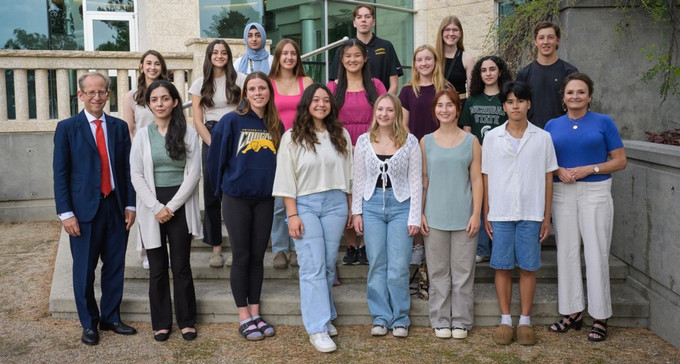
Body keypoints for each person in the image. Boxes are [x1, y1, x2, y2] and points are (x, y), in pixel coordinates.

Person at [53, 72, 137, 345]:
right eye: (90, 92)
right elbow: (61, 174)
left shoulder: (119, 127)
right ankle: (89, 323)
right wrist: (66, 213)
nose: (97, 97)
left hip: (114, 205)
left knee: (114, 266)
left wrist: (130, 203)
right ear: (81, 95)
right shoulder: (67, 128)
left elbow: (126, 169)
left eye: (101, 92)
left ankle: (111, 317)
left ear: (108, 94)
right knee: (84, 270)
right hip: (83, 211)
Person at [545, 73, 627, 342]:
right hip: (562, 191)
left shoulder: (604, 122)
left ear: (590, 96)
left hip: (596, 192)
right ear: (564, 97)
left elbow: (620, 161)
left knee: (596, 252)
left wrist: (589, 169)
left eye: (581, 92)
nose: (575, 96)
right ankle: (572, 312)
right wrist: (559, 170)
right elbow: (545, 160)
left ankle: (600, 316)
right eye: (570, 92)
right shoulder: (552, 125)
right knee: (566, 253)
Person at [272, 83, 353, 353]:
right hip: (305, 204)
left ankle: (325, 313)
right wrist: (292, 214)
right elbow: (285, 178)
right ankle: (317, 328)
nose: (321, 104)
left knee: (329, 264)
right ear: (307, 103)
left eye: (326, 100)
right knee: (313, 266)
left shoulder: (340, 134)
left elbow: (350, 175)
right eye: (316, 99)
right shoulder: (292, 137)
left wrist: (352, 208)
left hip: (336, 204)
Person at [207, 72, 282, 341]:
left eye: (263, 88)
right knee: (241, 257)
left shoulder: (276, 124)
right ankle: (243, 316)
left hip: (264, 199)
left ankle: (256, 312)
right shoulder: (230, 121)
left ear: (269, 92)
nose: (258, 92)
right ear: (245, 93)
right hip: (236, 198)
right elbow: (215, 161)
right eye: (253, 88)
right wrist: (220, 193)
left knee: (258, 257)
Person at [482, 81, 558, 346]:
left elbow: (548, 178)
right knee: (502, 266)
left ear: (529, 104)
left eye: (520, 101)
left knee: (527, 266)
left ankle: (525, 320)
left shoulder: (542, 137)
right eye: (510, 101)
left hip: (531, 211)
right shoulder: (492, 137)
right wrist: (486, 213)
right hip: (501, 212)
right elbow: (486, 175)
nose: (515, 106)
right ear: (504, 106)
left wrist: (546, 215)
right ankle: (505, 319)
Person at [130, 80, 201, 342]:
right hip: (152, 205)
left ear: (174, 101)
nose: (160, 104)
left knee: (181, 266)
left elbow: (193, 174)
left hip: (179, 204)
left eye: (165, 99)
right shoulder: (141, 135)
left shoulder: (188, 132)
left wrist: (170, 207)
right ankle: (161, 322)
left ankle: (186, 321)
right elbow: (136, 174)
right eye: (155, 100)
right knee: (158, 267)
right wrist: (156, 207)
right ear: (149, 104)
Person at [352, 94, 422, 338]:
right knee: (377, 263)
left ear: (397, 113)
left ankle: (400, 317)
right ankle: (381, 317)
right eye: (380, 109)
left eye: (390, 110)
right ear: (375, 112)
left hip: (401, 206)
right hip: (371, 207)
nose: (384, 114)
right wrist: (356, 212)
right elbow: (359, 179)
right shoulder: (363, 141)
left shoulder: (410, 142)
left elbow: (415, 182)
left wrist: (415, 216)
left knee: (399, 265)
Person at [420, 88, 482, 340]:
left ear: (458, 109)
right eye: (440, 105)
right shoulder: (425, 141)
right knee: (437, 272)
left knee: (463, 272)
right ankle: (441, 319)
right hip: (434, 217)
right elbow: (423, 180)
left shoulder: (472, 141)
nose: (444, 110)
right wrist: (420, 213)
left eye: (450, 105)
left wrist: (476, 213)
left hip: (464, 216)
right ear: (434, 110)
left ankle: (461, 321)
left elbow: (477, 180)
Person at [328, 39, 387, 265]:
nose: (352, 60)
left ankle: (365, 245)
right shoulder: (332, 88)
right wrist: (345, 145)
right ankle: (351, 245)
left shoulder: (376, 85)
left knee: (366, 195)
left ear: (365, 59)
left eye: (357, 55)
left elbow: (384, 116)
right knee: (346, 196)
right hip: (341, 147)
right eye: (348, 56)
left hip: (371, 147)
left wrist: (367, 145)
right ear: (342, 60)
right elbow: (328, 120)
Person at [189, 39, 246, 268]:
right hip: (211, 136)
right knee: (212, 192)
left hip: (235, 135)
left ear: (228, 56)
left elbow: (244, 110)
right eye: (215, 52)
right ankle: (216, 248)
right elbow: (197, 119)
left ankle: (235, 245)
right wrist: (212, 143)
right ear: (209, 56)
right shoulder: (199, 84)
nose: (220, 56)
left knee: (233, 193)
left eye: (224, 52)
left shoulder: (240, 80)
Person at [398, 44, 449, 265]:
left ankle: (439, 244)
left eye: (428, 59)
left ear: (435, 62)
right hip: (416, 151)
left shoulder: (445, 88)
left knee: (440, 196)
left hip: (443, 150)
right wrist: (416, 149)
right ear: (415, 64)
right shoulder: (407, 90)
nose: (424, 63)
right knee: (418, 197)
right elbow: (404, 125)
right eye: (420, 59)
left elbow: (451, 118)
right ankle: (418, 245)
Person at [459, 55, 511, 263]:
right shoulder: (472, 100)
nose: (488, 73)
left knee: (498, 202)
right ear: (478, 74)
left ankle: (499, 245)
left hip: (502, 159)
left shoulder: (507, 98)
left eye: (492, 69)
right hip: (478, 158)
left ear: (499, 72)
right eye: (484, 70)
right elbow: (467, 132)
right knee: (479, 203)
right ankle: (482, 248)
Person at [268, 38, 313, 269]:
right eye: (284, 53)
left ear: (298, 57)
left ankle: (297, 247)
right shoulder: (269, 82)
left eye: (293, 53)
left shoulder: (306, 81)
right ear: (278, 57)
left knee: (302, 198)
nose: (288, 57)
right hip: (276, 147)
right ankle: (280, 249)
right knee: (279, 202)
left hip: (303, 145)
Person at [122, 49, 169, 270]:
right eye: (148, 63)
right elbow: (129, 129)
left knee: (165, 202)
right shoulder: (131, 97)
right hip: (141, 154)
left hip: (166, 155)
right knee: (145, 204)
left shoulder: (167, 92)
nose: (152, 67)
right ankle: (145, 252)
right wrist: (137, 156)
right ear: (141, 66)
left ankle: (165, 248)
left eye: (156, 64)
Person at [515, 21, 578, 128]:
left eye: (550, 37)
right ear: (535, 41)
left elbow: (577, 105)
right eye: (541, 38)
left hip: (562, 131)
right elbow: (518, 105)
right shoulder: (524, 74)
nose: (545, 42)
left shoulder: (570, 72)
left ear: (557, 40)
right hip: (532, 133)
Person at [328, 4, 403, 94]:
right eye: (359, 17)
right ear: (354, 23)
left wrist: (382, 106)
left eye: (367, 17)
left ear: (373, 22)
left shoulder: (386, 46)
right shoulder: (343, 50)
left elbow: (394, 85)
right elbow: (337, 85)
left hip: (380, 104)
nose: (363, 20)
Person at [435, 16, 475, 105]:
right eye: (447, 29)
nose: (451, 33)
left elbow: (472, 92)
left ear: (460, 33)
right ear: (441, 33)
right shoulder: (433, 57)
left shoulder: (467, 59)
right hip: (437, 106)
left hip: (459, 106)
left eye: (455, 30)